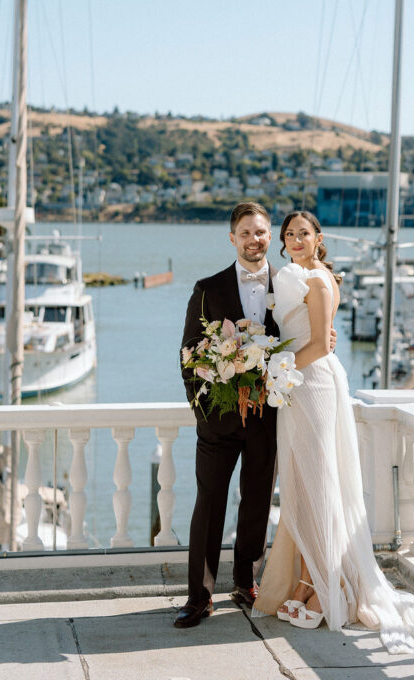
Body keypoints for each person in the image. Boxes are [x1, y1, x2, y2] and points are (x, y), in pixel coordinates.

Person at [253, 211, 414, 656]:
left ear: (319, 238)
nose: (296, 239)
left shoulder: (319, 281)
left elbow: (319, 344)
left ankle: (326, 588)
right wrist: (275, 368)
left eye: (304, 233)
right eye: (289, 234)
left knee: (322, 486)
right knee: (301, 487)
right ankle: (304, 581)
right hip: (294, 385)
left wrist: (273, 373)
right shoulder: (294, 276)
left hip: (312, 382)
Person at [174, 201, 279, 628]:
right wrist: (203, 411)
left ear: (270, 236)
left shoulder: (290, 285)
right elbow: (187, 355)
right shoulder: (208, 288)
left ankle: (245, 582)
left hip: (268, 419)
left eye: (261, 232)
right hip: (218, 422)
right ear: (232, 238)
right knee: (209, 505)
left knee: (256, 504)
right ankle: (199, 597)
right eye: (246, 233)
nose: (254, 240)